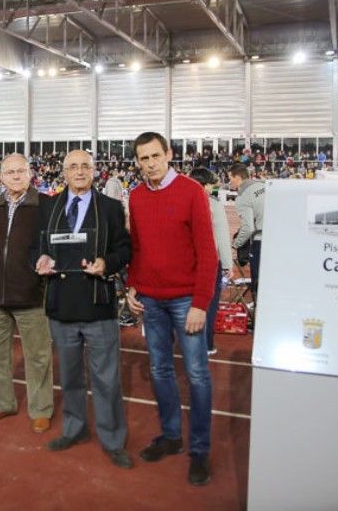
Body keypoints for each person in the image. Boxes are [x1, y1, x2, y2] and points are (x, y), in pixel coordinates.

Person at [125, 131, 218, 486]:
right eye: (143, 158)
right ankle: (171, 435)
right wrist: (133, 285)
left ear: (168, 154)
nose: (149, 164)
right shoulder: (134, 197)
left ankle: (199, 450)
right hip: (150, 299)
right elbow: (137, 248)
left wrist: (200, 304)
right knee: (160, 370)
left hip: (185, 301)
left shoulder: (192, 191)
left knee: (197, 375)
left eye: (154, 156)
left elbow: (208, 253)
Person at [35, 150, 133, 468]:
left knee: (106, 379)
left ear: (94, 171)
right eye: (72, 166)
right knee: (71, 376)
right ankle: (74, 429)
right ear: (62, 172)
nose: (79, 171)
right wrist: (39, 260)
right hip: (61, 305)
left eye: (84, 166)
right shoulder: (48, 205)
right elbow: (35, 247)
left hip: (98, 304)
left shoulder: (110, 207)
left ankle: (113, 439)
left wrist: (107, 263)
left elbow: (124, 248)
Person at [0, 153, 54, 433]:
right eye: (10, 172)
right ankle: (3, 402)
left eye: (21, 171)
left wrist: (40, 278)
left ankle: (41, 408)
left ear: (30, 174)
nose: (16, 176)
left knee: (38, 355)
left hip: (31, 295)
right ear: (1, 177)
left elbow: (54, 247)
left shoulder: (46, 205)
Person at [189, 168, 234, 355]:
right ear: (205, 184)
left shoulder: (183, 200)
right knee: (208, 302)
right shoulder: (213, 204)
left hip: (186, 262)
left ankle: (188, 342)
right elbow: (222, 237)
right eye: (211, 183)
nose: (213, 187)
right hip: (208, 262)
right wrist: (228, 265)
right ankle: (206, 344)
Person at [228, 163, 265, 297]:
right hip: (278, 237)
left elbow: (248, 228)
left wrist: (235, 244)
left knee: (259, 283)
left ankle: (258, 312)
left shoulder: (243, 197)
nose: (229, 182)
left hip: (260, 241)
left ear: (237, 177)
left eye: (230, 178)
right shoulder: (264, 185)